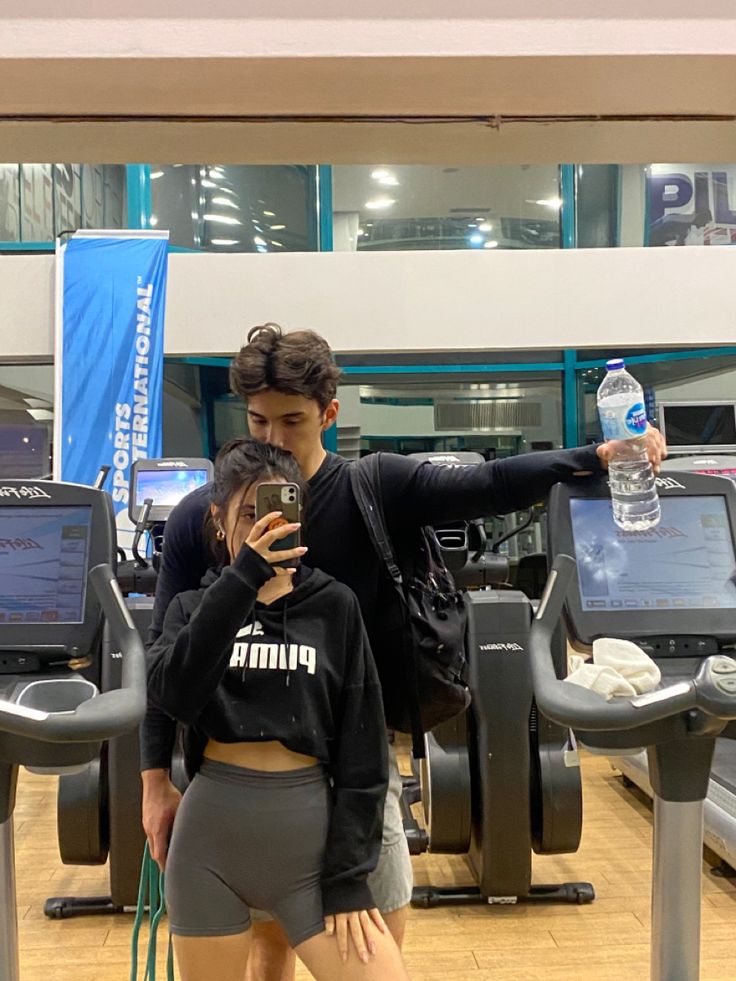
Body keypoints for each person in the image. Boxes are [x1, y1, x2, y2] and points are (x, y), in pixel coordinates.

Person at [142, 323, 668, 981]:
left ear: (330, 414)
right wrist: (154, 781)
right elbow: (166, 650)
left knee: (372, 936)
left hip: (358, 756)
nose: (272, 439)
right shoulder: (210, 514)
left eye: (292, 421)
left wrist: (599, 453)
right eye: (258, 421)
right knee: (266, 946)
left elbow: (491, 483)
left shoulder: (373, 485)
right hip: (239, 766)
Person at [146, 437, 410, 981]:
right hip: (209, 844)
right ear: (218, 521)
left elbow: (364, 751)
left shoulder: (333, 605)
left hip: (311, 843)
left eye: (277, 510)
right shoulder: (192, 607)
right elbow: (171, 694)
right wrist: (243, 578)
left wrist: (349, 874)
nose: (266, 526)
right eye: (248, 513)